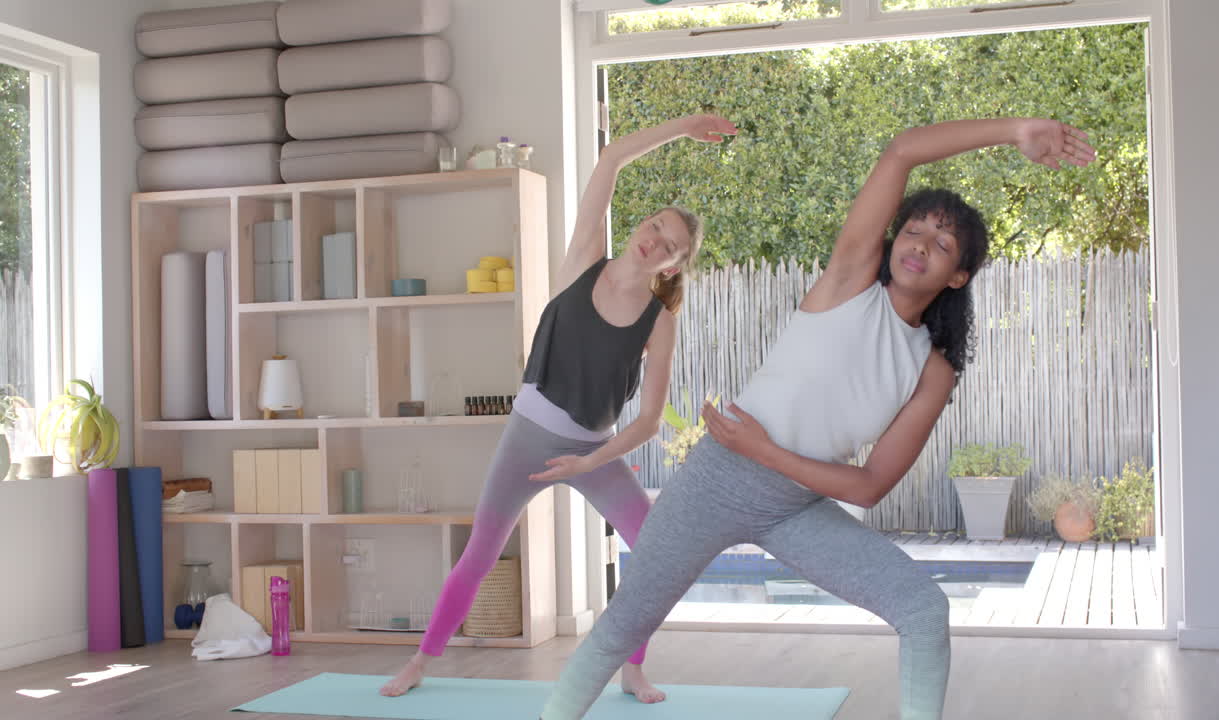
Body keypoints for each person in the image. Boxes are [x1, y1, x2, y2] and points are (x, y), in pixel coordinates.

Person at [539, 116, 1096, 720]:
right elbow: (902, 149)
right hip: (715, 481)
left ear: (958, 275)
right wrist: (1016, 131)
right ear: (891, 241)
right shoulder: (850, 279)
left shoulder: (933, 371)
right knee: (623, 627)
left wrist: (767, 453)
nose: (920, 246)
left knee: (924, 610)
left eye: (943, 245)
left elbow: (870, 485)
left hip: (794, 501)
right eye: (914, 231)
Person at [379, 113, 739, 701]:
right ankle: (419, 662)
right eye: (655, 226)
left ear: (672, 266)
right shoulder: (584, 257)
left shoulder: (660, 318)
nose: (655, 241)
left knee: (655, 551)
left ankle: (632, 665)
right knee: (480, 555)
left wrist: (590, 463)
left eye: (670, 246)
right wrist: (685, 127)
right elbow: (611, 159)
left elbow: (650, 420)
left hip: (594, 449)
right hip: (527, 438)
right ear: (641, 226)